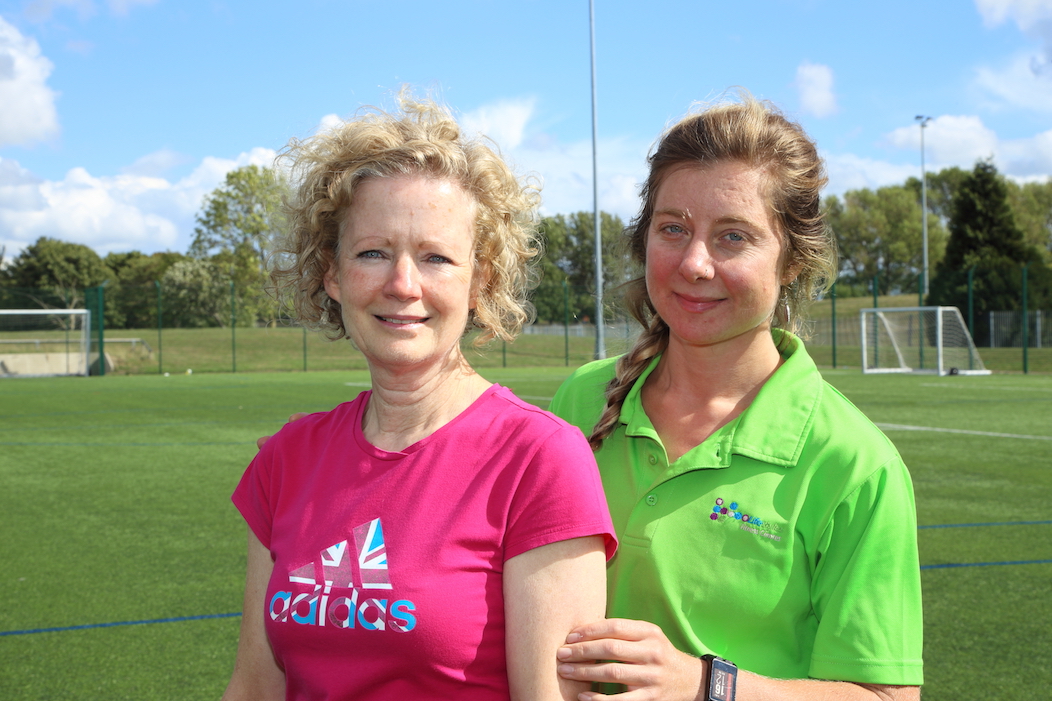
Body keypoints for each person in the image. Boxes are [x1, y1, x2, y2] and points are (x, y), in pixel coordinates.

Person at [222, 95, 616, 701]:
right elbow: (254, 686)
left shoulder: (540, 458)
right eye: (373, 252)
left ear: (480, 281)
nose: (402, 284)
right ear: (332, 273)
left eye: (435, 257)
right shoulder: (285, 458)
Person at [549, 92, 923, 701]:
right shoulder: (580, 401)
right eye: (674, 229)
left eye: (733, 237)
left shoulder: (856, 463)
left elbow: (887, 698)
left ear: (793, 262)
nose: (695, 263)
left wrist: (705, 685)